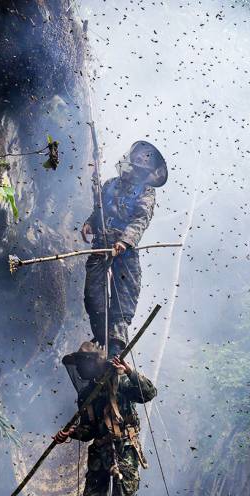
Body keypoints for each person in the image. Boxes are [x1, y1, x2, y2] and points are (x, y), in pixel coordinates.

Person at [55, 341, 157, 496]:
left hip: (124, 452)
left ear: (94, 362)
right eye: (78, 362)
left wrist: (130, 371)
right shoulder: (86, 394)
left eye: (83, 362)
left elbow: (149, 392)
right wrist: (69, 434)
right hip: (100, 453)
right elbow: (89, 430)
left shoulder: (119, 382)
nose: (79, 367)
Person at [81, 141, 168, 357]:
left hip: (124, 251)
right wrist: (90, 223)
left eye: (144, 159)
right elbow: (99, 209)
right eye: (136, 157)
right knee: (93, 297)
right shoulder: (110, 184)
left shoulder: (146, 192)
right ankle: (101, 341)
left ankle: (116, 351)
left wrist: (125, 241)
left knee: (124, 299)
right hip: (101, 246)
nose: (137, 161)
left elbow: (140, 219)